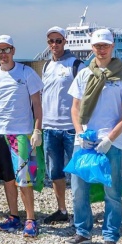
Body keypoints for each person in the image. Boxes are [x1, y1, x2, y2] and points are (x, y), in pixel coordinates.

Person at [66, 29, 122, 244]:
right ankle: (82, 231)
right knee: (78, 189)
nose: (101, 50)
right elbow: (75, 108)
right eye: (97, 46)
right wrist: (79, 133)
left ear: (112, 47)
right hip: (85, 140)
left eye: (105, 45)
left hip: (110, 141)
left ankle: (110, 236)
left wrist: (110, 138)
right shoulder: (84, 74)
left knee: (112, 191)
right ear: (92, 48)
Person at [0, 35, 44, 237]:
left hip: (22, 135)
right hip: (0, 134)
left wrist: (37, 130)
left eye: (6, 49)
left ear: (13, 51)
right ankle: (13, 216)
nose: (3, 54)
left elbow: (37, 104)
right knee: (7, 178)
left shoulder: (26, 73)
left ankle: (30, 219)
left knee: (25, 179)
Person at [40, 26, 82, 224]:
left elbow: (86, 95)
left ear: (65, 41)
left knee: (77, 172)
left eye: (58, 40)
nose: (55, 44)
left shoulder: (76, 65)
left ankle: (81, 211)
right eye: (51, 41)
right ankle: (62, 209)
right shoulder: (46, 66)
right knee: (55, 171)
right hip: (49, 127)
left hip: (71, 127)